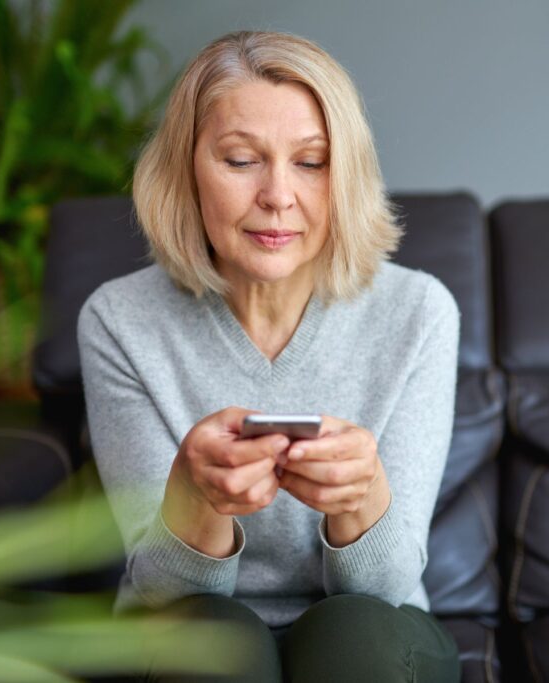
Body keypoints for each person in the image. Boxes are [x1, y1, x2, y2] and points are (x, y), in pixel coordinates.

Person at [78, 30, 461, 682]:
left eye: (310, 162)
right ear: (186, 171)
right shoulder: (118, 321)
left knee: (354, 633)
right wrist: (193, 497)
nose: (278, 195)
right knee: (215, 639)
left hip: (372, 633)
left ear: (345, 176)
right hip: (190, 632)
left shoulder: (420, 313)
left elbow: (391, 586)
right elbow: (162, 593)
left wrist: (360, 498)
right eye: (240, 160)